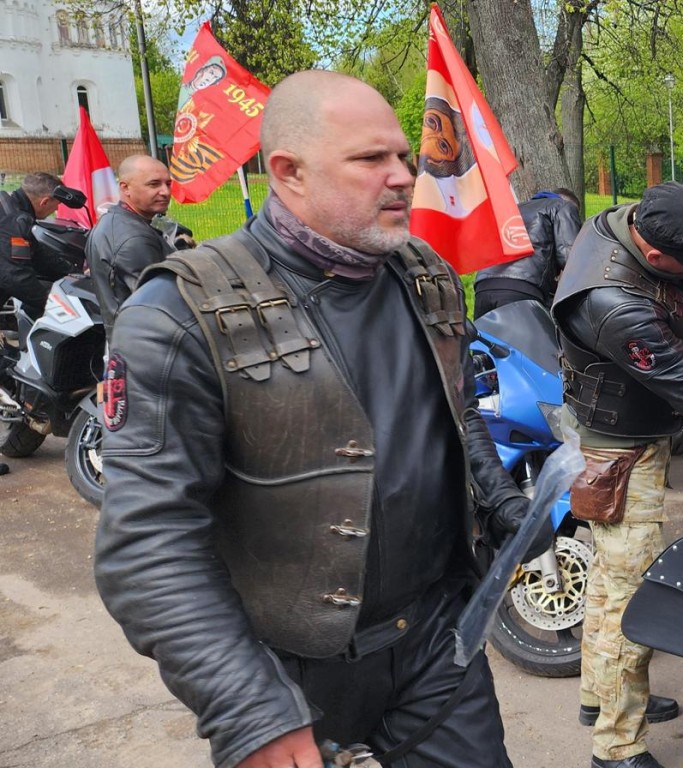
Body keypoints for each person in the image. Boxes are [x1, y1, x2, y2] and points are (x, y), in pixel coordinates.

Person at [94, 70, 551, 768]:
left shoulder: (424, 273)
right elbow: (146, 544)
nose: (403, 175)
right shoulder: (177, 315)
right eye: (372, 160)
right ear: (289, 172)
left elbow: (456, 417)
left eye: (403, 156)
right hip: (286, 669)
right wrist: (248, 710)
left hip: (436, 643)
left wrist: (508, 506)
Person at [552, 181, 683, 768]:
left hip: (620, 436)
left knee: (612, 582)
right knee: (629, 597)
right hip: (621, 456)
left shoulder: (627, 219)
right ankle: (616, 746)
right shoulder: (616, 304)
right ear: (655, 255)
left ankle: (599, 695)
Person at [85, 155, 175, 336]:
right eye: (154, 184)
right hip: (147, 345)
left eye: (168, 183)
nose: (165, 191)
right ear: (125, 188)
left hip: (127, 338)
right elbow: (160, 304)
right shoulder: (134, 238)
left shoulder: (113, 220)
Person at [473, 188, 582, 318]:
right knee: (527, 338)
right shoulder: (563, 206)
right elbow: (570, 256)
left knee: (485, 337)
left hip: (484, 287)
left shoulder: (514, 209)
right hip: (521, 290)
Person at [0, 172, 63, 319]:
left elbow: (37, 254)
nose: (56, 210)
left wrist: (73, 273)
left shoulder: (8, 207)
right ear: (45, 202)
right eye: (57, 206)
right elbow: (15, 276)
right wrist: (53, 305)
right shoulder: (14, 221)